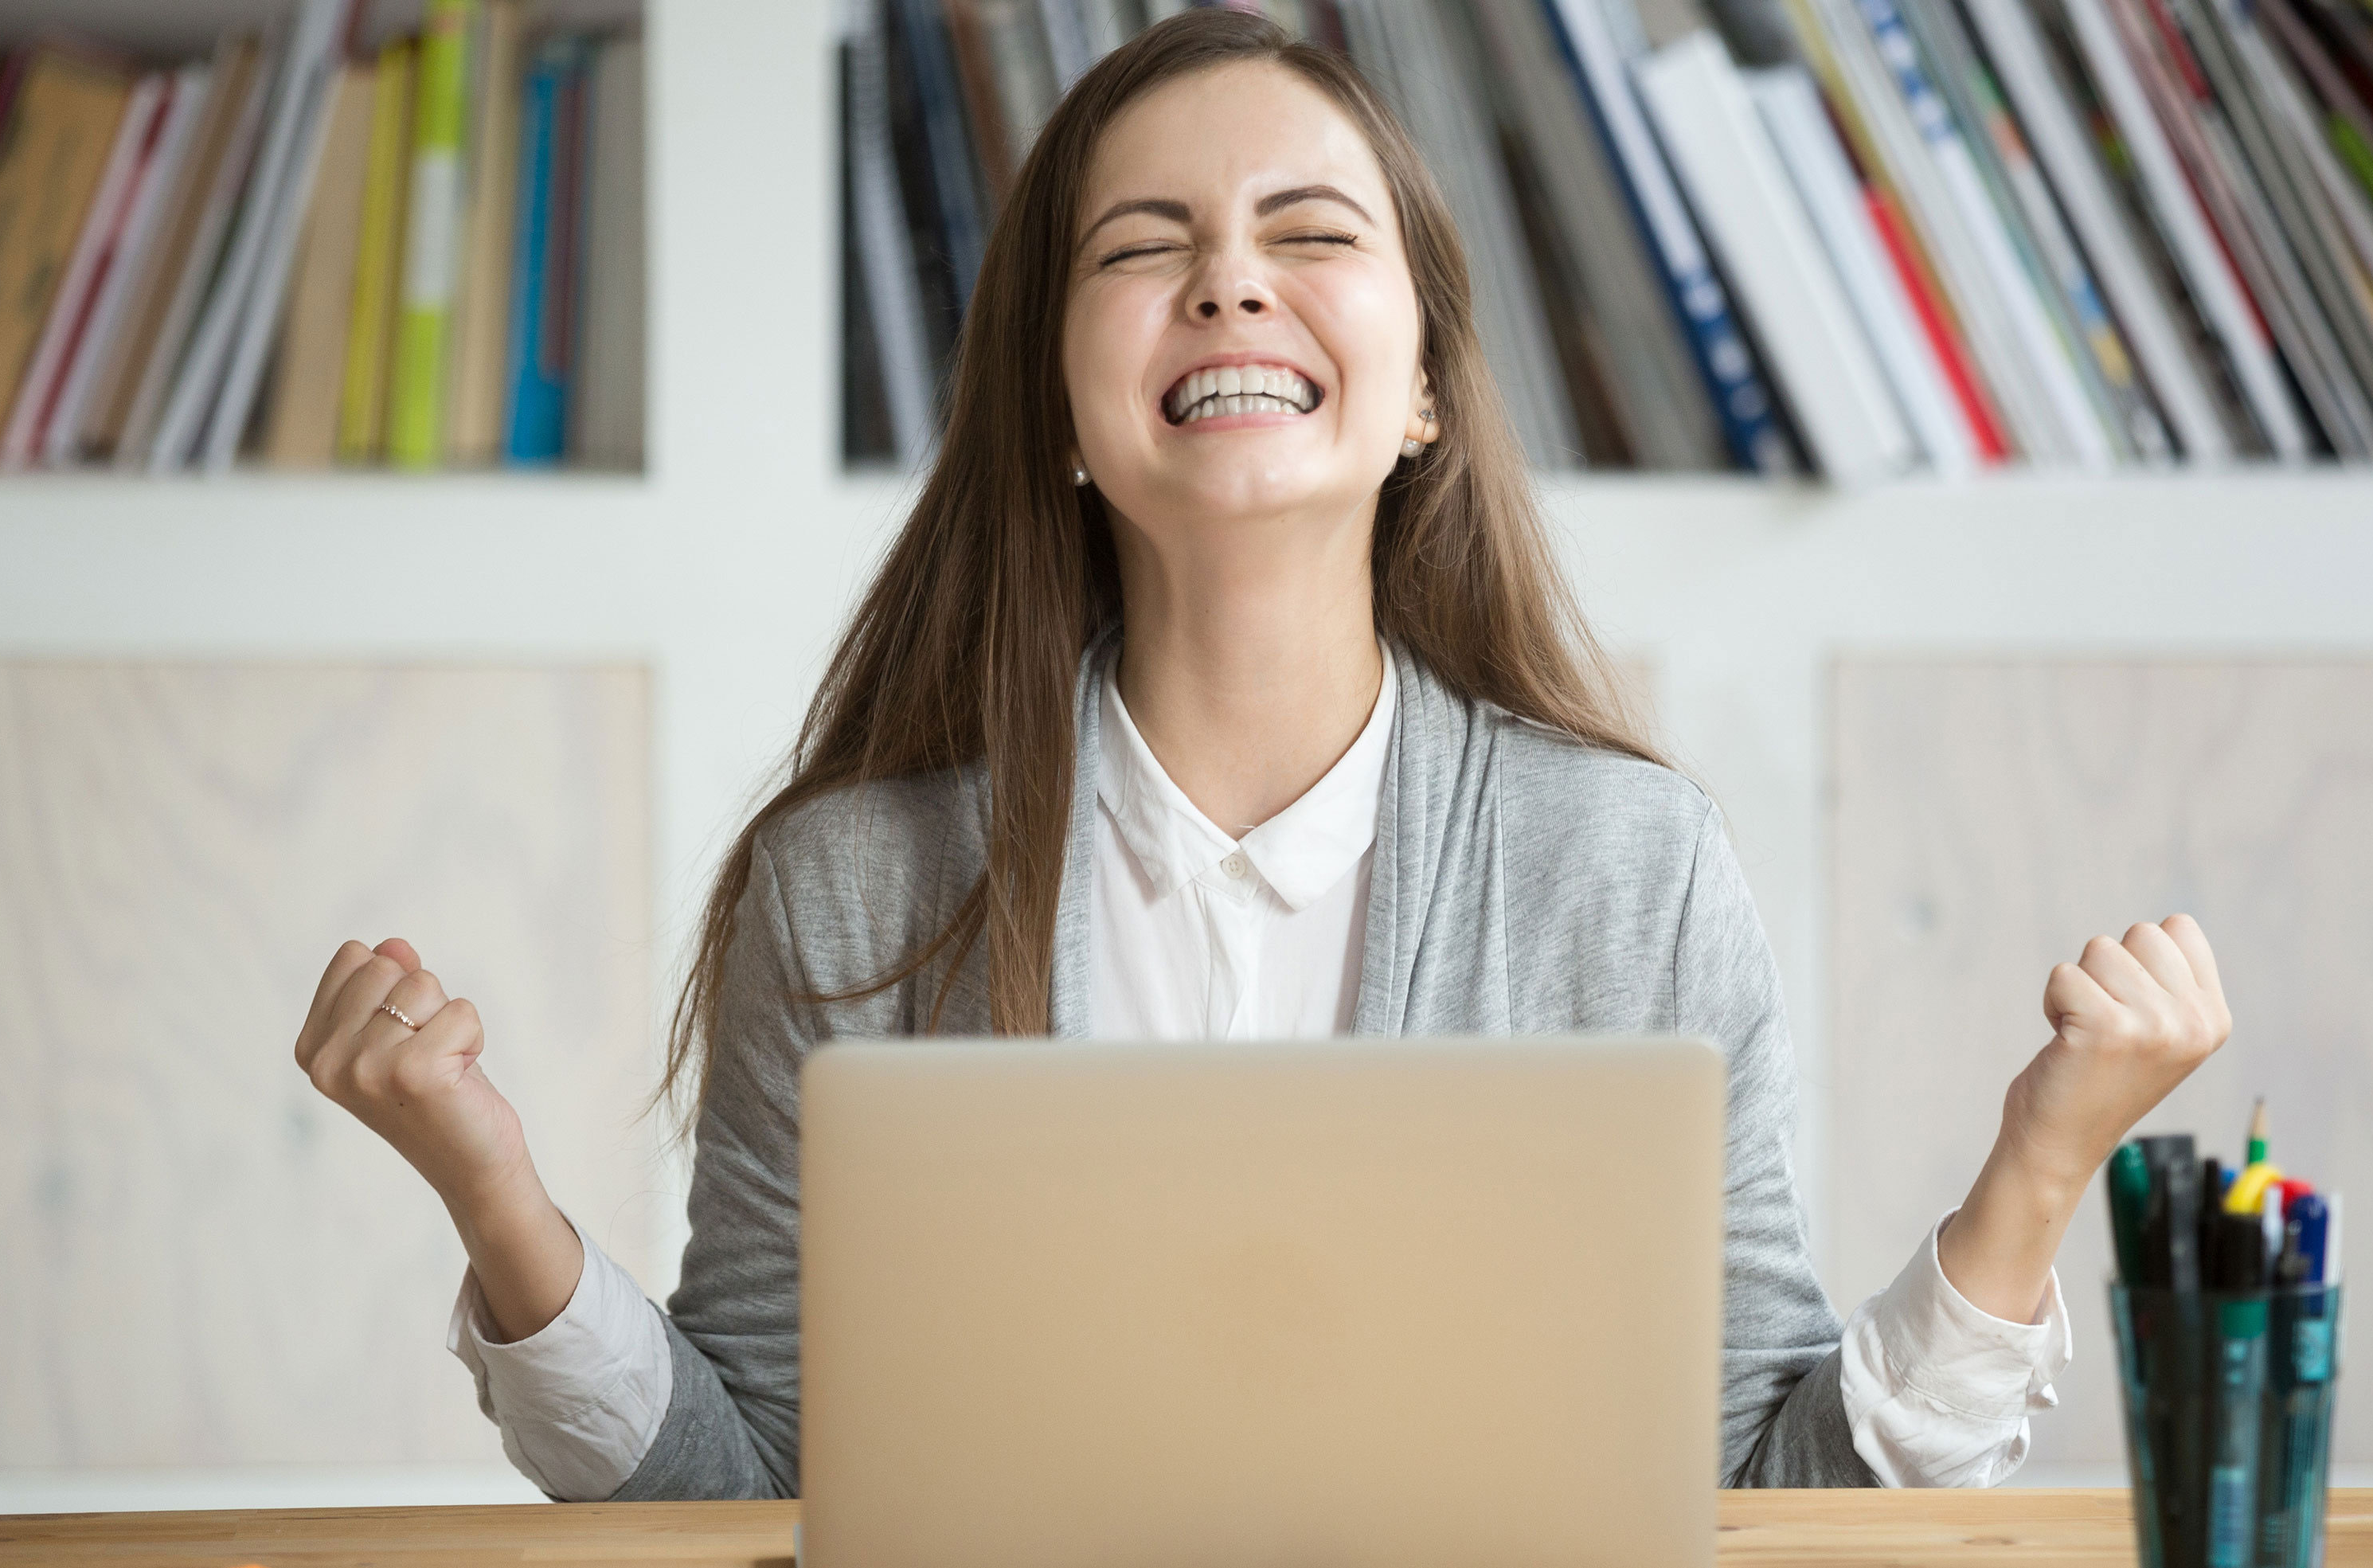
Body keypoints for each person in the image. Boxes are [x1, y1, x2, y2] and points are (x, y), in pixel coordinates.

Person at [291, 10, 2230, 1500]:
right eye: (1149, 247)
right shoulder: (856, 888)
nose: (1230, 281)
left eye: (1309, 234)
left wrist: (2046, 1151)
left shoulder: (1628, 871)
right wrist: (498, 1202)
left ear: (1421, 393)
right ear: (1059, 398)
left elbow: (1761, 1500)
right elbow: (747, 1494)